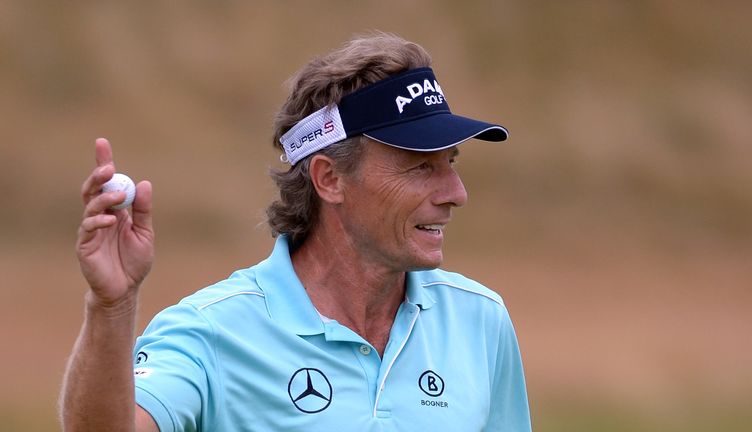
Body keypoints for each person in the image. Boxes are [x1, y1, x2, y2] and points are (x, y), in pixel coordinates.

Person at [60, 32, 531, 431]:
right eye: (419, 167)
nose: (456, 192)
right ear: (329, 179)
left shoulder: (480, 320)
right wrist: (112, 307)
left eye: (450, 162)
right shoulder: (213, 331)